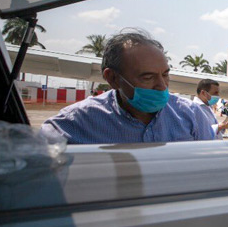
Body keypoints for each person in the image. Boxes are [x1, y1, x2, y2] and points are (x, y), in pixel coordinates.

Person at [41, 30, 214, 144]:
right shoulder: (74, 123)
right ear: (113, 78)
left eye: (165, 75)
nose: (162, 86)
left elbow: (212, 165)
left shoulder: (191, 115)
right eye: (147, 77)